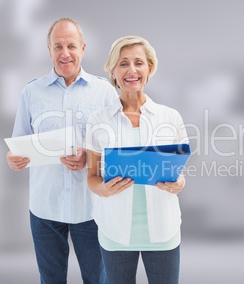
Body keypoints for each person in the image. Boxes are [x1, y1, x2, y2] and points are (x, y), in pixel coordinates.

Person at [6, 18, 117, 284]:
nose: (64, 53)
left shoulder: (104, 92)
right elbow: (17, 143)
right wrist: (13, 159)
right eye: (58, 46)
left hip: (91, 208)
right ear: (49, 50)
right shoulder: (31, 92)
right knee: (51, 280)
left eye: (71, 45)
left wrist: (89, 158)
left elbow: (117, 151)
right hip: (45, 207)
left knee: (98, 280)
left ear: (83, 48)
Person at [86, 35, 188, 284]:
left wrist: (179, 184)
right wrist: (104, 189)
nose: (131, 70)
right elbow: (91, 177)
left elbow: (180, 172)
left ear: (149, 68)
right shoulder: (98, 120)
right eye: (123, 63)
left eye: (138, 63)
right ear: (112, 70)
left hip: (163, 230)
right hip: (116, 231)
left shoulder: (170, 117)